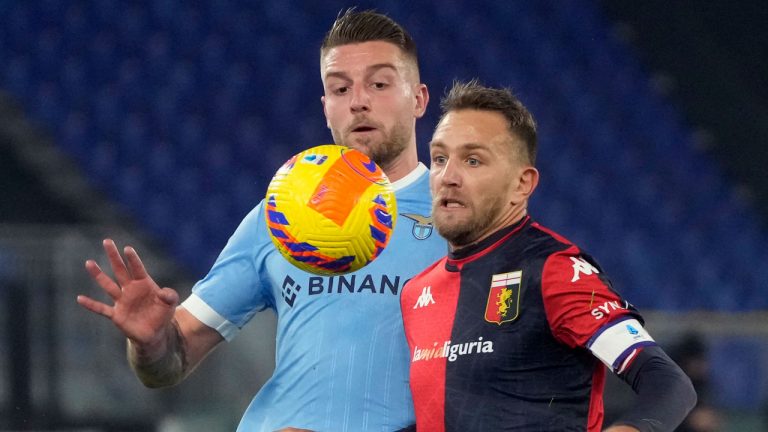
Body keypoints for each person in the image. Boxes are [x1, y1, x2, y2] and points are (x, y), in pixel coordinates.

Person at [77, 9, 446, 431]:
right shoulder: (282, 213)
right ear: (326, 108)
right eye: (340, 88)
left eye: (379, 84)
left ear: (418, 99)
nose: (358, 100)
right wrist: (152, 343)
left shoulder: (457, 217)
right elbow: (170, 363)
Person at [400, 80, 697, 432]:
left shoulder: (554, 271)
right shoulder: (417, 293)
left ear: (522, 184)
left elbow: (667, 384)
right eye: (439, 158)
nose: (448, 176)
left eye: (473, 160)